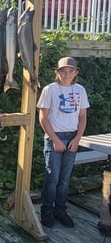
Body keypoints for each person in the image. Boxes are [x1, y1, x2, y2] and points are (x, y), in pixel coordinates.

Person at [37, 57, 90, 228]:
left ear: (76, 73)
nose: (66, 74)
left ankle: (60, 210)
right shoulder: (50, 89)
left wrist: (77, 139)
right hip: (54, 138)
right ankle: (46, 211)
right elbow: (43, 118)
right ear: (57, 72)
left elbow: (82, 117)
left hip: (73, 137)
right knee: (52, 178)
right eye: (63, 71)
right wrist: (55, 140)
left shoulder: (80, 90)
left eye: (70, 71)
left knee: (65, 179)